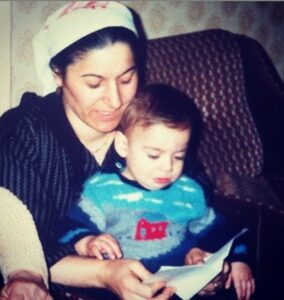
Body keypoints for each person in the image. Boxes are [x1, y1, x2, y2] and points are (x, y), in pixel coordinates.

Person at [0, 1, 228, 300]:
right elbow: (23, 250)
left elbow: (193, 206)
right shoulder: (25, 133)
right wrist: (105, 274)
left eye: (126, 79)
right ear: (58, 74)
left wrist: (203, 262)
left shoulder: (147, 120)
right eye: (94, 83)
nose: (115, 100)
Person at [58, 83, 255, 300]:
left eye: (178, 156)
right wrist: (87, 241)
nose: (168, 167)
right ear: (123, 145)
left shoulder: (188, 192)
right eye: (154, 155)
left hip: (178, 287)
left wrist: (238, 260)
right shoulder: (102, 191)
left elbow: (222, 231)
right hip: (121, 289)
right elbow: (68, 227)